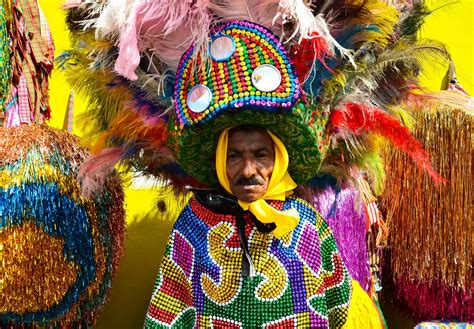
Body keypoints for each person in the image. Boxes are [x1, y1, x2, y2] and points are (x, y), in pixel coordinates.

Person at [144, 124, 384, 328]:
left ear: (278, 159)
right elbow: (169, 306)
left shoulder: (305, 222)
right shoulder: (194, 221)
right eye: (234, 156)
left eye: (261, 155)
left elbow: (339, 307)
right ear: (218, 161)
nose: (248, 171)